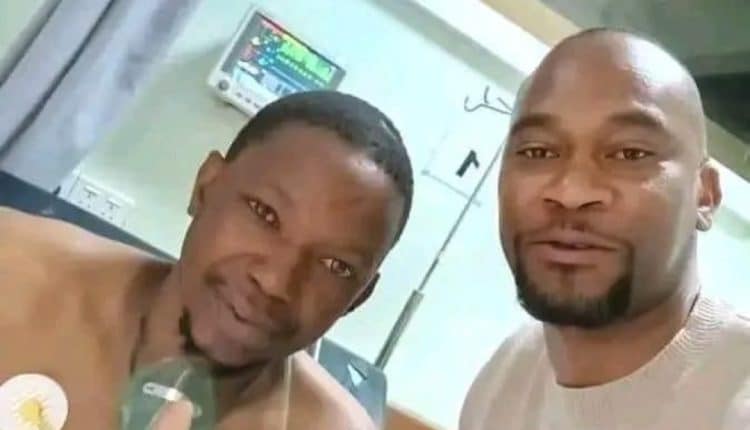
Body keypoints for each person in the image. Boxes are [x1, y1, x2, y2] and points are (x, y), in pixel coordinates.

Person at [0, 90, 413, 429]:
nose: (275, 281)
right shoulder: (12, 267)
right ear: (206, 187)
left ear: (358, 298)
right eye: (265, 214)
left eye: (336, 266)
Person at [461, 28, 750, 430]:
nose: (571, 192)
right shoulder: (505, 379)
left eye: (630, 153)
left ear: (705, 195)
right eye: (538, 151)